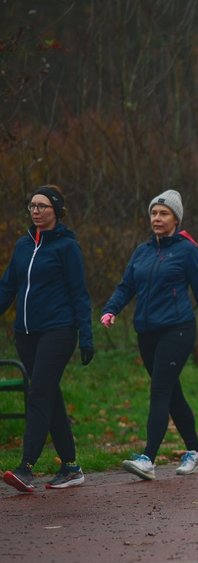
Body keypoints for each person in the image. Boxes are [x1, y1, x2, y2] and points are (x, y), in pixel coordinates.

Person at [101, 189, 198, 480]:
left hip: (177, 329)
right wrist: (112, 309)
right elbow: (126, 286)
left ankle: (148, 458)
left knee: (159, 390)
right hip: (147, 332)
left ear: (176, 218)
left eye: (164, 213)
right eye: (154, 213)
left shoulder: (187, 251)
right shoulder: (143, 251)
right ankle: (195, 451)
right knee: (171, 394)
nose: (157, 218)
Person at [1, 185, 94, 492]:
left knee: (39, 392)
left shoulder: (67, 247)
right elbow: (8, 287)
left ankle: (26, 468)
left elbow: (80, 294)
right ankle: (70, 467)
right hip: (26, 333)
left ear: (56, 211)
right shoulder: (23, 246)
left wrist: (86, 337)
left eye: (42, 206)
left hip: (59, 330)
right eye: (32, 205)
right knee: (49, 395)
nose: (36, 210)